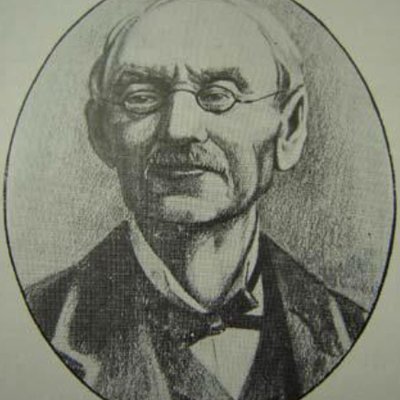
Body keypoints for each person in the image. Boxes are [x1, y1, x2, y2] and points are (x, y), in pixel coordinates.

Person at [26, 0, 366, 399]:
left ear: (289, 127)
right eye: (141, 97)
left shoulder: (353, 332)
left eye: (219, 95)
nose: (179, 128)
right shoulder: (36, 323)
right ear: (101, 133)